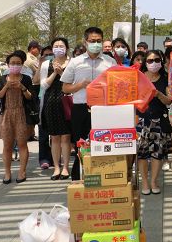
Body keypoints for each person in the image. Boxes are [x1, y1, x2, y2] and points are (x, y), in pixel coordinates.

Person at [61, 27, 116, 180]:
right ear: (85, 42)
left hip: (103, 110)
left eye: (99, 41)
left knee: (103, 144)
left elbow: (116, 86)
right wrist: (80, 85)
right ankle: (78, 177)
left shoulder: (109, 62)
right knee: (81, 144)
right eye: (92, 41)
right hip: (81, 108)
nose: (96, 44)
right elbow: (65, 87)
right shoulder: (75, 62)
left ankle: (103, 176)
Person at [0, 50, 36, 183]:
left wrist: (23, 88)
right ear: (7, 64)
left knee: (22, 144)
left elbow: (30, 98)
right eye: (12, 63)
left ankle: (22, 171)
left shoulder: (26, 79)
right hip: (6, 115)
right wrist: (6, 86)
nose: (15, 65)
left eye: (18, 63)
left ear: (22, 65)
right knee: (7, 146)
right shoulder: (2, 79)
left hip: (22, 115)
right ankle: (7, 173)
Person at [137, 50, 172, 195]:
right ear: (145, 63)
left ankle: (154, 181)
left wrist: (158, 93)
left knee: (158, 152)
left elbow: (169, 100)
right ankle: (144, 181)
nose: (154, 63)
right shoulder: (139, 78)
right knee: (142, 152)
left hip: (160, 118)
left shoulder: (165, 78)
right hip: (142, 118)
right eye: (150, 61)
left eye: (157, 60)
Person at [38, 38, 72, 180]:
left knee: (66, 136)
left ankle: (65, 167)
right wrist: (54, 73)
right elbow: (43, 85)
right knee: (55, 137)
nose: (59, 48)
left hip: (67, 101)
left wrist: (61, 73)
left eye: (61, 46)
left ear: (67, 48)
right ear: (52, 49)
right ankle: (56, 167)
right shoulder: (46, 64)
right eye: (56, 46)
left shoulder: (72, 62)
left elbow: (73, 82)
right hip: (51, 102)